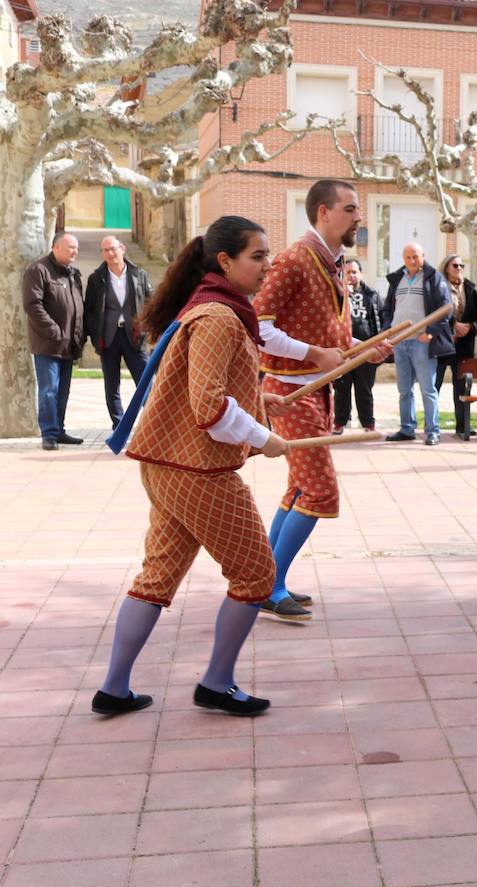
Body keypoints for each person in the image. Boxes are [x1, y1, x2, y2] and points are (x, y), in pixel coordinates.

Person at [94, 216, 289, 717]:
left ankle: (113, 689)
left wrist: (260, 405)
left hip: (167, 465)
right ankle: (216, 684)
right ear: (225, 261)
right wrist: (263, 437)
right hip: (197, 470)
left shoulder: (208, 308)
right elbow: (210, 407)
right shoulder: (219, 317)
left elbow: (203, 390)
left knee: (157, 577)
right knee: (257, 575)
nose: (267, 265)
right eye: (258, 256)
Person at [255, 179, 392, 622]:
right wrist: (315, 354)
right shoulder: (294, 260)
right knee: (319, 491)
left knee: (300, 487)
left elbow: (331, 334)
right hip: (289, 392)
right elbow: (259, 327)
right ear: (323, 212)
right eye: (350, 209)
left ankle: (266, 579)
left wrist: (364, 348)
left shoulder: (334, 262)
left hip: (316, 390)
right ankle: (268, 586)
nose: (358, 217)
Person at [381, 242, 454, 446]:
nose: (412, 261)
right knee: (404, 389)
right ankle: (407, 429)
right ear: (403, 259)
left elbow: (446, 309)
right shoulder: (398, 278)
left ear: (423, 255)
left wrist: (430, 333)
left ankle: (433, 431)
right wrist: (388, 331)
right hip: (399, 341)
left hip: (421, 342)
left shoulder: (434, 277)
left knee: (427, 389)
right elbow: (388, 309)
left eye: (416, 256)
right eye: (408, 257)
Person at [84, 236, 152, 430]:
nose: (110, 253)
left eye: (113, 248)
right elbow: (89, 310)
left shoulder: (139, 274)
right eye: (105, 250)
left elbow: (150, 303)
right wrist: (95, 336)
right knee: (112, 384)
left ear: (122, 249)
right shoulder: (96, 278)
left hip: (134, 337)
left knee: (145, 382)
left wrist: (147, 330)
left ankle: (152, 422)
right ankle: (119, 425)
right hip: (108, 338)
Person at [24, 232, 84, 450]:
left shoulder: (73, 273)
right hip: (48, 344)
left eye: (76, 247)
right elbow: (33, 305)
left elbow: (77, 306)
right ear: (56, 247)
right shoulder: (38, 270)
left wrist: (78, 335)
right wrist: (55, 331)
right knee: (49, 390)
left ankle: (59, 431)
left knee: (62, 391)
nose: (75, 251)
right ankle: (48, 434)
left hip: (69, 343)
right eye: (70, 247)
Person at [433, 255, 477, 440]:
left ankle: (463, 426)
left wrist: (470, 328)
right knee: (434, 385)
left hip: (463, 346)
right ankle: (431, 426)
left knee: (461, 386)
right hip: (441, 343)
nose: (459, 268)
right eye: (455, 265)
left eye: (462, 265)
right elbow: (436, 312)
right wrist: (453, 325)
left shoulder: (470, 288)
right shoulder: (438, 287)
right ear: (447, 268)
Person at [333, 258, 383, 435]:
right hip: (344, 350)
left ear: (360, 273)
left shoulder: (372, 294)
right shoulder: (338, 294)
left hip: (366, 350)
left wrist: (377, 345)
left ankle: (368, 424)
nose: (351, 276)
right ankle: (339, 423)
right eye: (348, 272)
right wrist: (344, 294)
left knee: (364, 389)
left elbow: (379, 319)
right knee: (341, 388)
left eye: (354, 272)